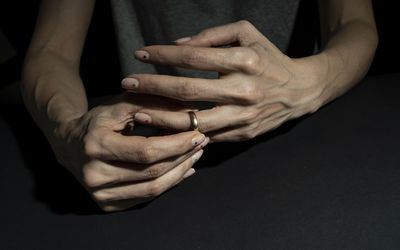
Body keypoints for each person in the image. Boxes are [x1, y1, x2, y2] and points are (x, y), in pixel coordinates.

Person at [21, 0, 378, 212]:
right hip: (146, 148)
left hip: (299, 133)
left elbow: (355, 23)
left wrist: (306, 85)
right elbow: (50, 50)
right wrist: (67, 129)